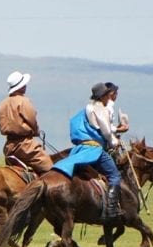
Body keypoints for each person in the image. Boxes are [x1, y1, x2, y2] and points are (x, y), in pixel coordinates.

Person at [49, 82, 123, 219]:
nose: (110, 97)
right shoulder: (100, 108)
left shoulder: (87, 109)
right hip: (94, 149)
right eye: (108, 94)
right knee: (114, 175)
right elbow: (106, 132)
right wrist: (115, 142)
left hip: (80, 148)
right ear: (103, 96)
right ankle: (112, 210)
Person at [0, 71, 53, 175]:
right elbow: (32, 119)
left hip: (9, 146)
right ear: (21, 87)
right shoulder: (24, 101)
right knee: (50, 168)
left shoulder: (2, 104)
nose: (25, 86)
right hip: (26, 146)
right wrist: (36, 131)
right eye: (24, 84)